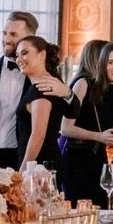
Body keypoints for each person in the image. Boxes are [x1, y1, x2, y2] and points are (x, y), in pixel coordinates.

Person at [0, 12, 77, 171]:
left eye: (13, 34)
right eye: (4, 33)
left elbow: (72, 111)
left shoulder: (43, 75)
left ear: (30, 37)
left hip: (19, 156)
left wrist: (67, 92)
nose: (6, 39)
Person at [60, 42, 113, 206]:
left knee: (101, 209)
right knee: (78, 211)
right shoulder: (84, 84)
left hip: (100, 159)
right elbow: (66, 128)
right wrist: (99, 136)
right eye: (111, 62)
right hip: (76, 157)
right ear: (102, 63)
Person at [14, 36, 69, 170]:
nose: (19, 59)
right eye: (17, 55)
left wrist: (21, 173)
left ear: (42, 55)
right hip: (41, 164)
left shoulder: (43, 87)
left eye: (24, 53)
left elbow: (38, 136)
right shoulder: (46, 83)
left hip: (40, 167)